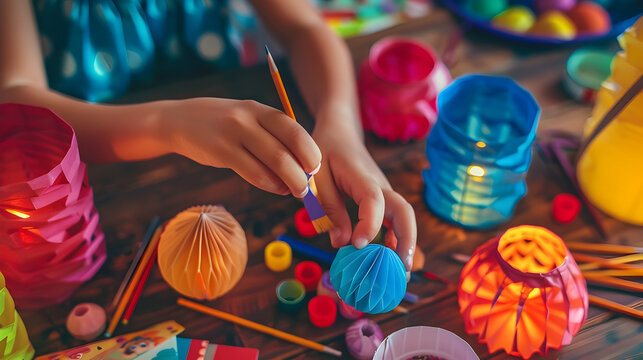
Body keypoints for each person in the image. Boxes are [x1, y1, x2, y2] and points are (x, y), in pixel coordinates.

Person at [0, 0, 416, 273]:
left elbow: (305, 27)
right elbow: (16, 96)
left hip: (232, 131)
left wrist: (340, 123)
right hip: (89, 163)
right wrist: (166, 123)